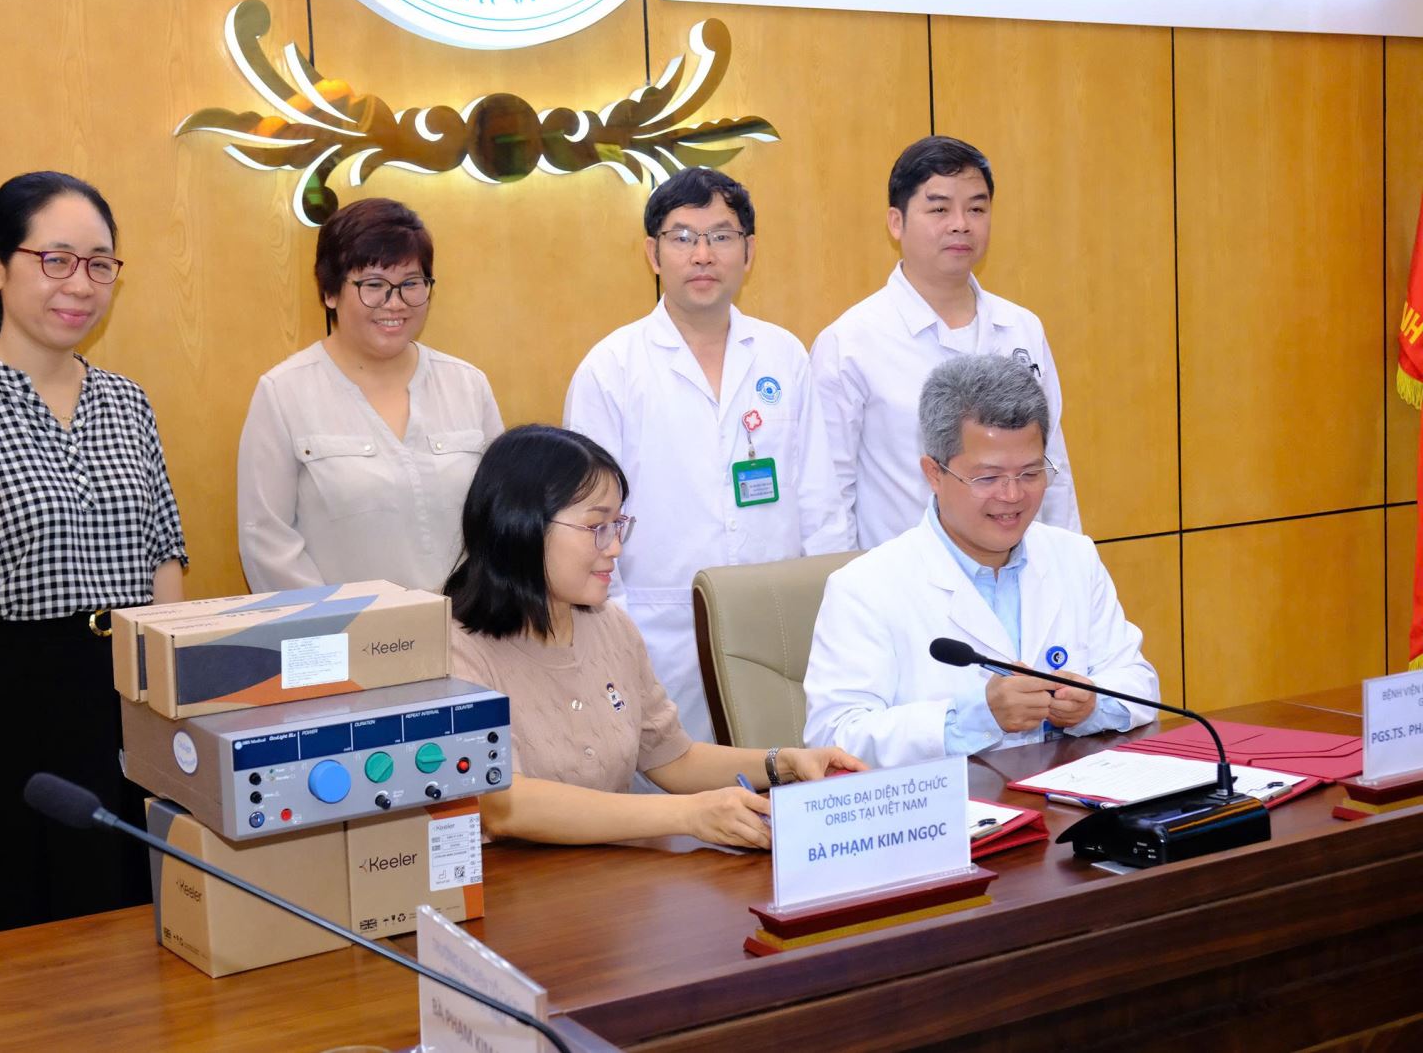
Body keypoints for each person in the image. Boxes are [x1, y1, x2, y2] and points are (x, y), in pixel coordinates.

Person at [0, 171, 188, 940]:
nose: (80, 284)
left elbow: (165, 560)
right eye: (56, 260)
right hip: (18, 719)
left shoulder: (127, 402)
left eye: (99, 264)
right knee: (30, 958)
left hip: (130, 704)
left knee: (150, 938)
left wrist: (175, 725)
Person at [445, 425, 865, 849]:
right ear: (522, 525)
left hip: (612, 875)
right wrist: (689, 814)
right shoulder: (453, 649)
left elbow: (673, 758)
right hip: (511, 883)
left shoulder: (610, 627)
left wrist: (784, 762)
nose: (615, 547)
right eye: (597, 527)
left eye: (617, 525)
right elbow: (504, 804)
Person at [564, 167, 850, 745]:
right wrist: (612, 634)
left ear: (748, 251)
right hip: (657, 631)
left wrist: (837, 610)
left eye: (721, 236)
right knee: (673, 784)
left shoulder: (783, 355)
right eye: (683, 237)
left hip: (780, 626)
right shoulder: (611, 368)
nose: (702, 254)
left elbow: (821, 501)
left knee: (786, 773)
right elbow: (585, 523)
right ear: (653, 253)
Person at [803, 354, 1155, 769]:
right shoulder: (865, 586)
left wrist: (1091, 704)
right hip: (949, 805)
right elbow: (835, 737)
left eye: (1030, 473)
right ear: (933, 474)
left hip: (1066, 794)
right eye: (987, 478)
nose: (1012, 496)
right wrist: (975, 718)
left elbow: (1138, 682)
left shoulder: (1073, 556)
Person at [811, 135, 1081, 550]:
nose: (961, 224)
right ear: (896, 222)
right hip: (905, 580)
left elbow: (1052, 467)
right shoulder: (849, 343)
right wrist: (845, 584)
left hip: (1020, 571)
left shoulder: (1021, 327)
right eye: (939, 209)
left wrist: (1070, 567)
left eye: (976, 208)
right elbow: (830, 497)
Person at [237, 198, 502, 594]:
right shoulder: (283, 393)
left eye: (411, 283)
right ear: (329, 292)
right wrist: (340, 624)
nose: (395, 303)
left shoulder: (468, 385)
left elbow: (502, 518)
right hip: (343, 628)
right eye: (373, 285)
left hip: (467, 623)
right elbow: (267, 542)